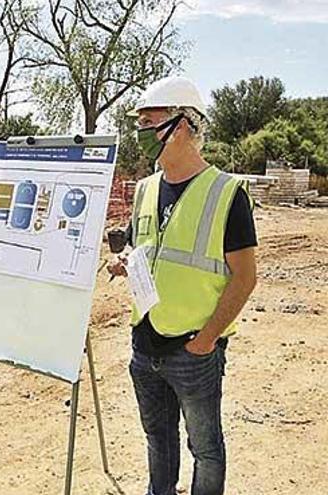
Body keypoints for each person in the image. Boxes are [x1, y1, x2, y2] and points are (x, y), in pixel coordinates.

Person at [109, 77, 258, 495]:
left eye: (151, 122)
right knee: (158, 438)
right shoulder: (144, 190)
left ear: (186, 125)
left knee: (205, 447)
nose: (142, 133)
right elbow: (148, 247)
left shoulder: (227, 193)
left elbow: (245, 276)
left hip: (195, 348)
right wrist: (126, 262)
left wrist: (207, 340)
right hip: (146, 342)